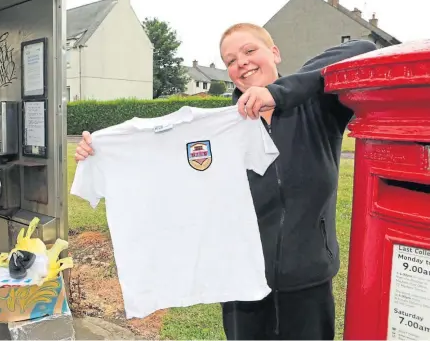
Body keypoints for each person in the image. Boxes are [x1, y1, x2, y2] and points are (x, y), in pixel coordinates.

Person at [74, 23, 378, 340]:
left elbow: (364, 49)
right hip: (240, 281)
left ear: (274, 52)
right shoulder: (218, 129)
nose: (241, 63)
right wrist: (101, 152)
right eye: (230, 60)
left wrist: (278, 93)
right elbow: (162, 168)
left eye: (249, 51)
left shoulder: (318, 109)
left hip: (308, 280)